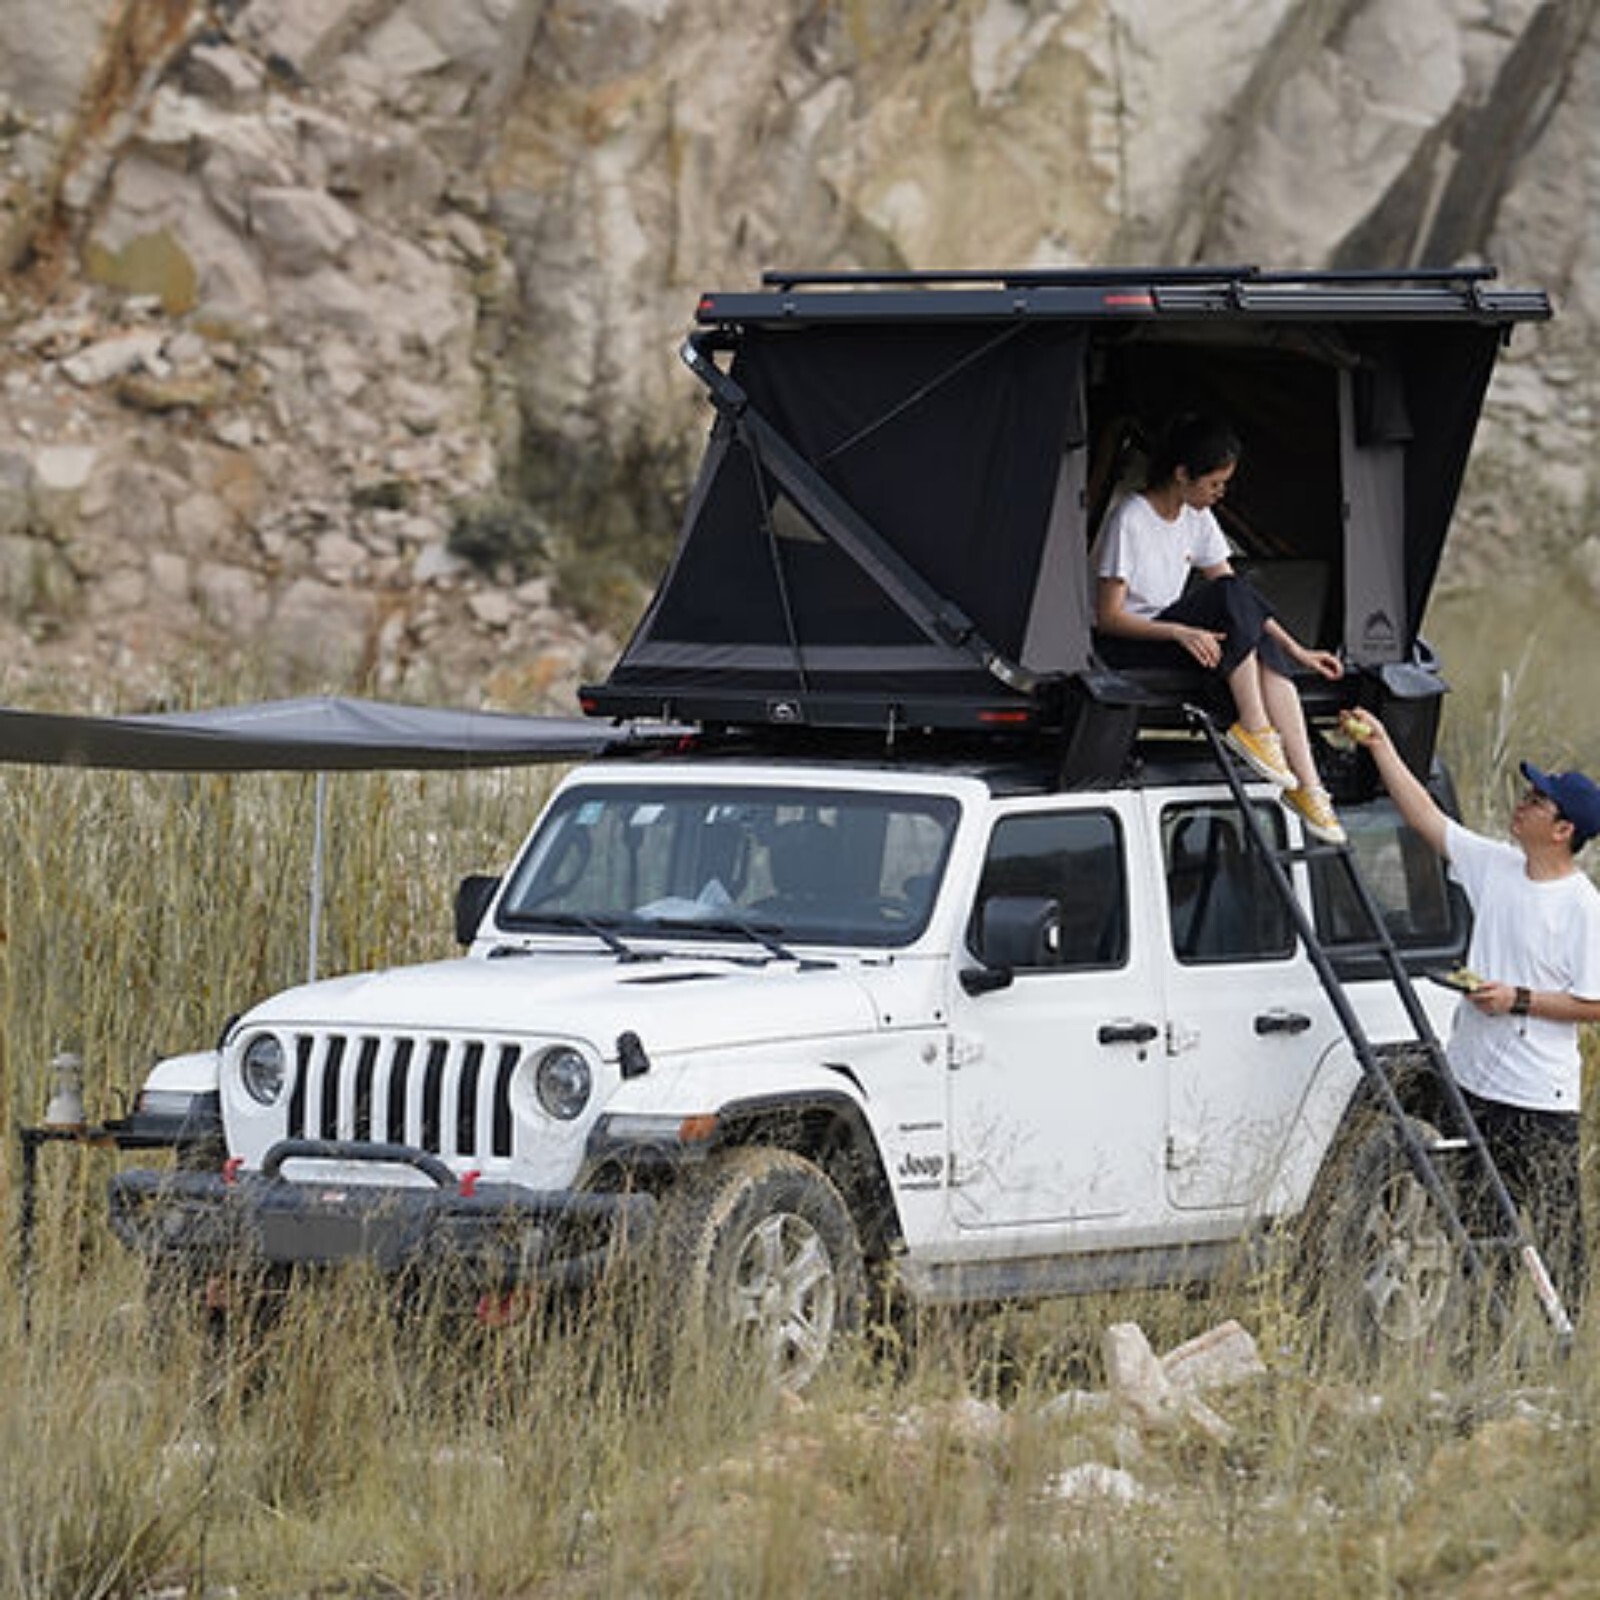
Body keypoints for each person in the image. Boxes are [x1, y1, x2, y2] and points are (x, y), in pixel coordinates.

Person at [1347, 707, 1600, 1310]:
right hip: (1472, 1086)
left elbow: (1595, 1002)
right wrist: (1382, 745)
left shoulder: (1583, 907)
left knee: (1559, 1238)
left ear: (1562, 829)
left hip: (1538, 1100)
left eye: (1538, 800)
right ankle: (1488, 1342)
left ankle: (1570, 1343)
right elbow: (1426, 820)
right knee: (1480, 1232)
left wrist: (1518, 1000)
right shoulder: (1496, 867)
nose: (1523, 802)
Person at [1090, 414, 1347, 843]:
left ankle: (1309, 787)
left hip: (1179, 634)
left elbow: (1241, 600)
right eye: (1214, 483)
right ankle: (1254, 726)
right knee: (1228, 596)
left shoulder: (1197, 517)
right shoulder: (1130, 519)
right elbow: (1109, 617)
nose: (1220, 493)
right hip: (1131, 643)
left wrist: (1300, 651)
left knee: (1242, 608)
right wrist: (1179, 632)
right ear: (1182, 474)